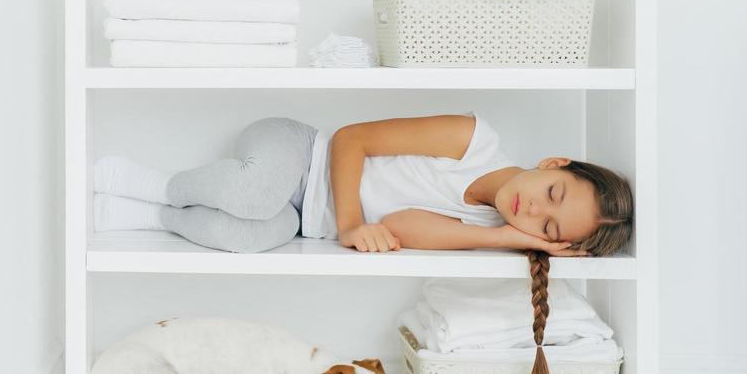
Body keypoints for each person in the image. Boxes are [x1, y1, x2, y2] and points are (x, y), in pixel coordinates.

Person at [91, 113, 633, 257]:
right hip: (303, 151)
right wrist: (350, 224)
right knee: (254, 196)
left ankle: (143, 216)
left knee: (250, 237)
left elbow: (397, 227)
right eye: (553, 194)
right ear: (555, 162)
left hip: (307, 222)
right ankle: (150, 183)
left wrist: (506, 239)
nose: (533, 209)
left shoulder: (484, 225)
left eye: (546, 227)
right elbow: (352, 139)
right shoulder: (473, 139)